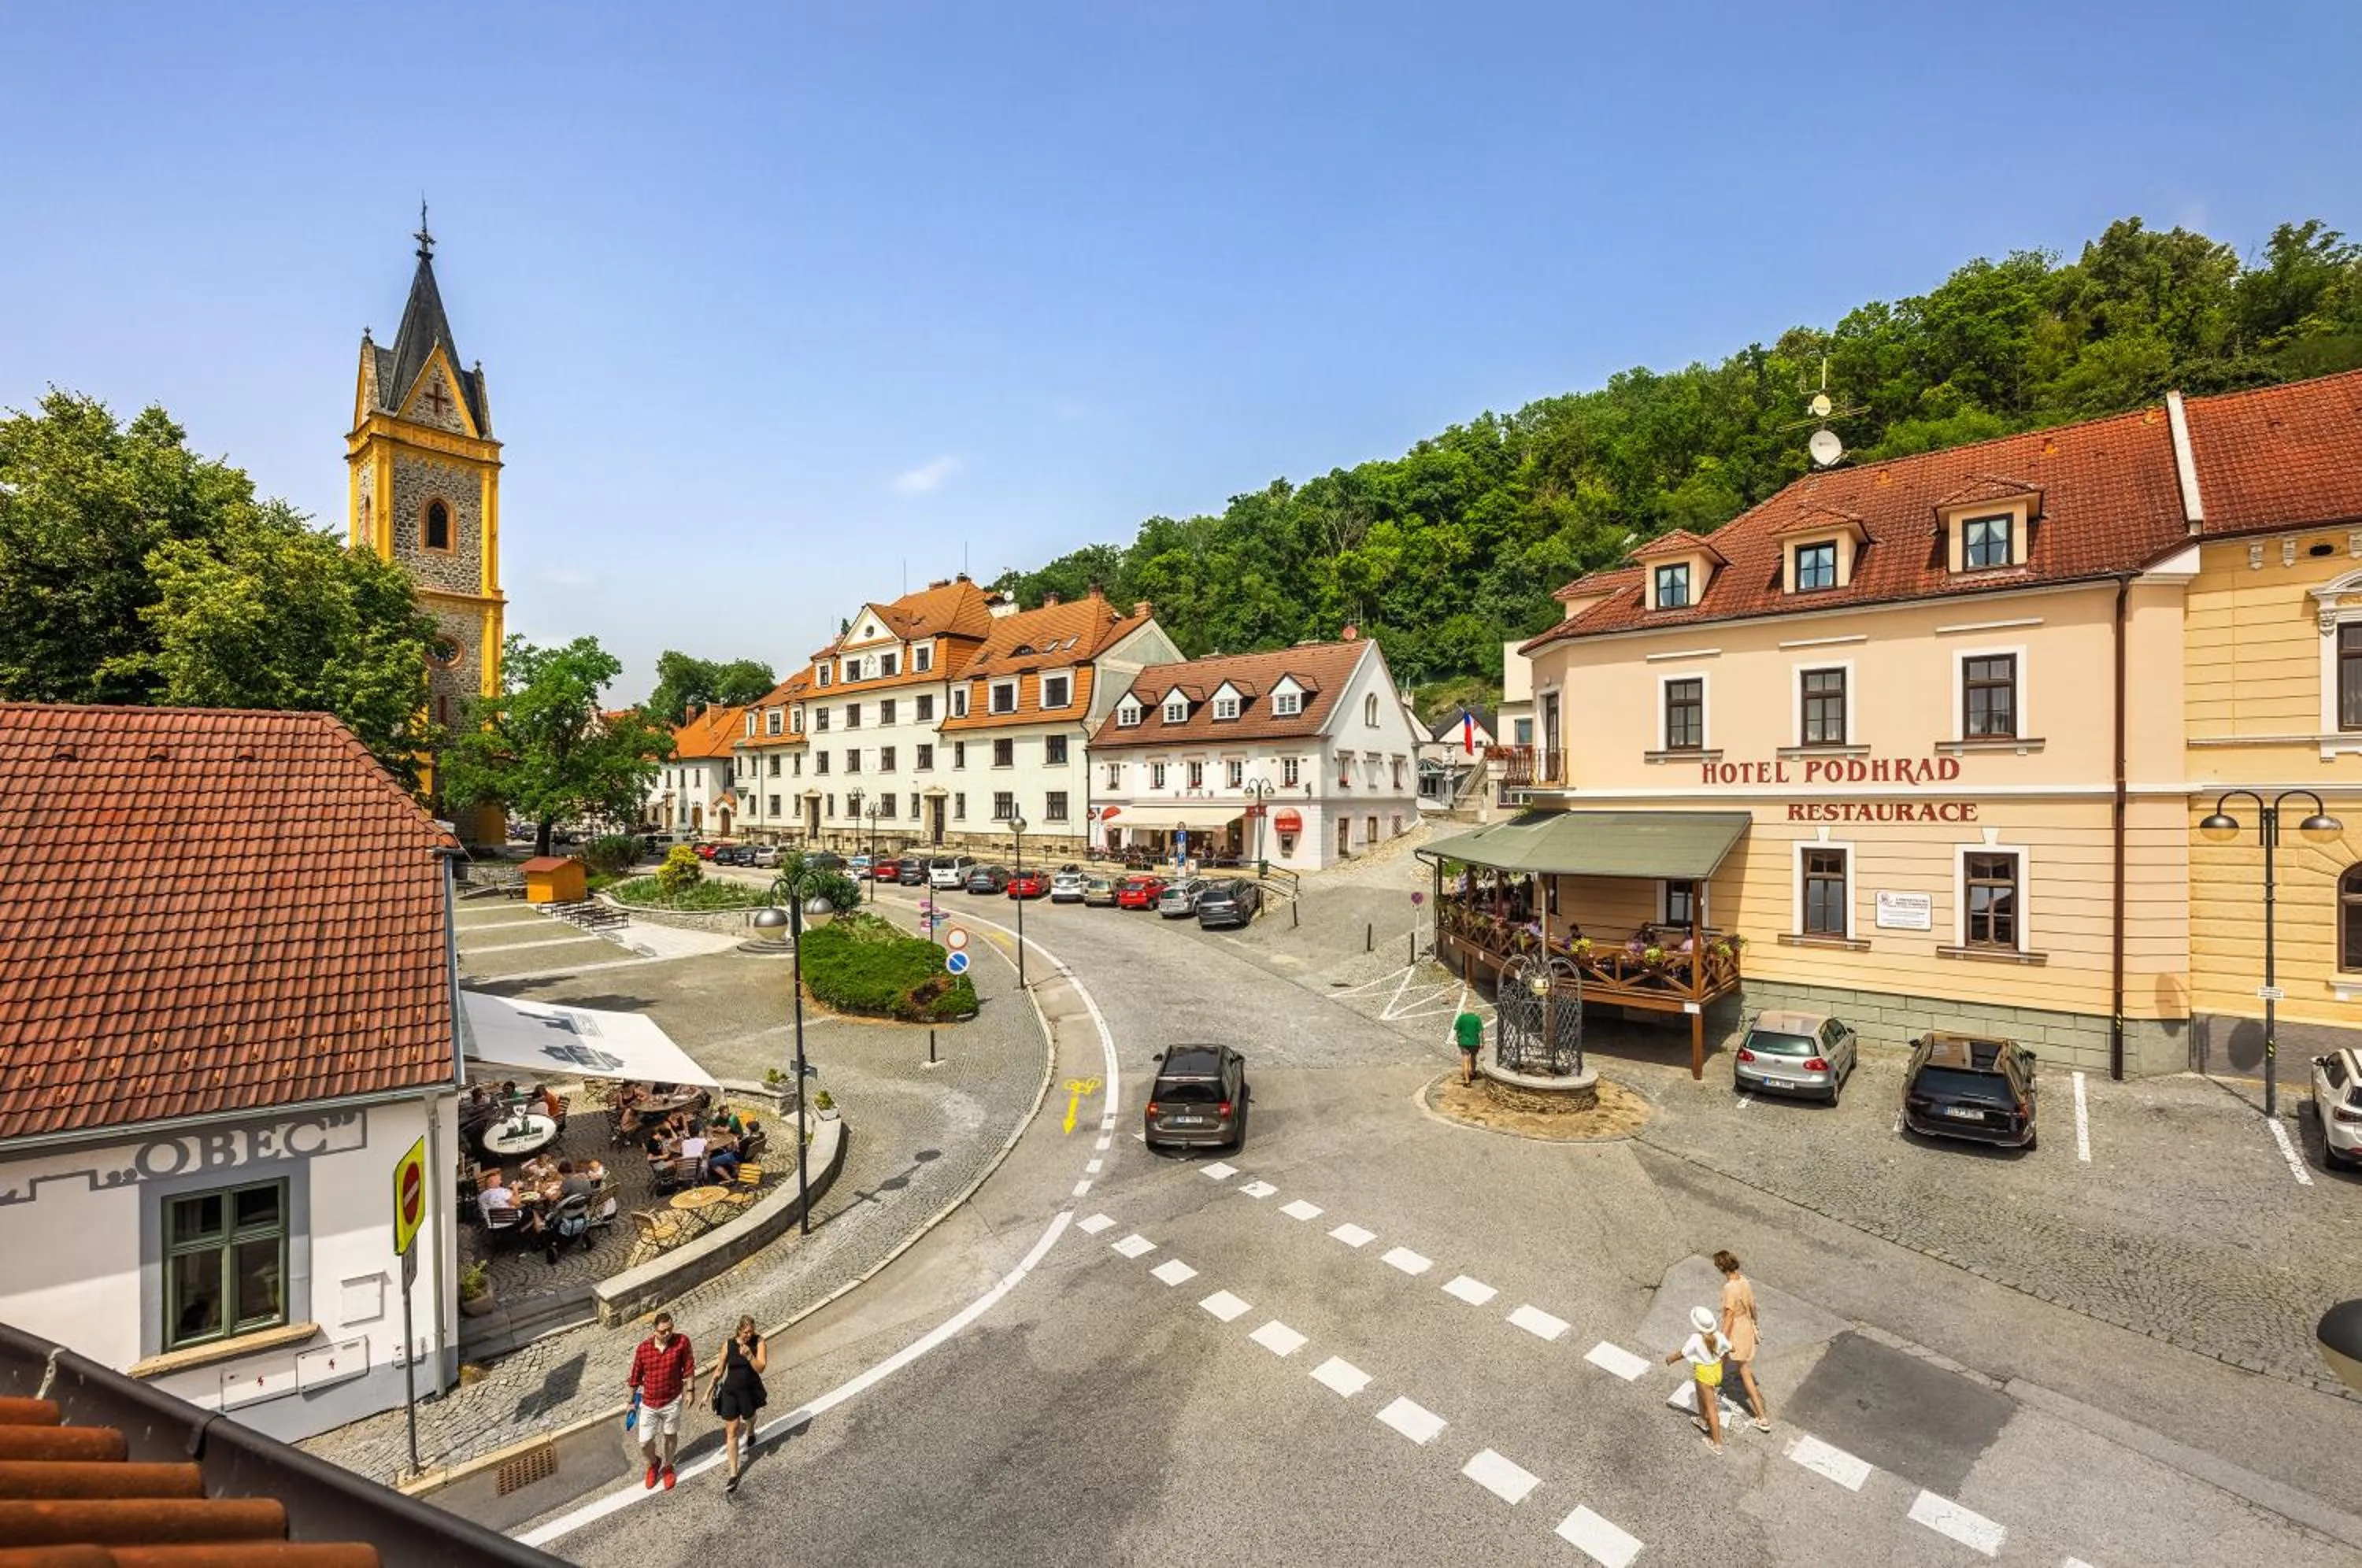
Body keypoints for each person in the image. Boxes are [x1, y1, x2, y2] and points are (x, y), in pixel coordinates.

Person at [626, 1312, 698, 1491]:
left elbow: (689, 1367)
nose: (668, 1334)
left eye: (670, 1329)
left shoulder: (682, 1342)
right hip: (649, 1403)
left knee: (670, 1435)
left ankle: (668, 1466)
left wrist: (690, 1391)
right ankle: (654, 1462)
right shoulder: (643, 1349)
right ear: (654, 1331)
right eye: (663, 1331)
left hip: (672, 1400)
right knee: (644, 1443)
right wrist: (630, 1402)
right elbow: (635, 1377)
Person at [1716, 1251, 1773, 1433]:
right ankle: (1713, 1383)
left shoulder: (1729, 1288)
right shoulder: (1744, 1281)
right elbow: (1753, 1306)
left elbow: (1729, 1317)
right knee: (1723, 1359)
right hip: (1746, 1326)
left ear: (1722, 1268)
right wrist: (1755, 1323)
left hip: (1736, 1332)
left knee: (1744, 1371)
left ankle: (1762, 1417)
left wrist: (1722, 1338)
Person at [713, 1315, 769, 1494]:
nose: (749, 1335)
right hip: (730, 1392)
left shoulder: (759, 1342)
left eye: (751, 1331)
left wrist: (750, 1355)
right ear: (739, 1330)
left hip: (748, 1391)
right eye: (746, 1332)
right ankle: (733, 1473)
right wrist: (707, 1392)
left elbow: (761, 1367)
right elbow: (720, 1370)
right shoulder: (729, 1344)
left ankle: (751, 1430)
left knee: (750, 1418)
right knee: (732, 1431)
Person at [1666, 1304, 1732, 1455]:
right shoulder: (1718, 1336)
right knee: (1700, 1393)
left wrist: (1671, 1359)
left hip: (1704, 1373)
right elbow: (1730, 1347)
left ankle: (1717, 1443)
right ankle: (1702, 1420)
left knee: (1711, 1408)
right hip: (1716, 1370)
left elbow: (1683, 1353)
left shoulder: (1696, 1338)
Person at [1453, 1011, 1484, 1085]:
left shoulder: (1461, 1018)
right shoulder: (1477, 1018)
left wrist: (1458, 1039)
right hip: (1475, 1042)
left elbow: (1457, 1030)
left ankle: (1467, 1081)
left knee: (1465, 1060)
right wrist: (1482, 1042)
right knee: (1473, 1057)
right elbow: (1481, 1032)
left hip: (1464, 1042)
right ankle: (1473, 1073)